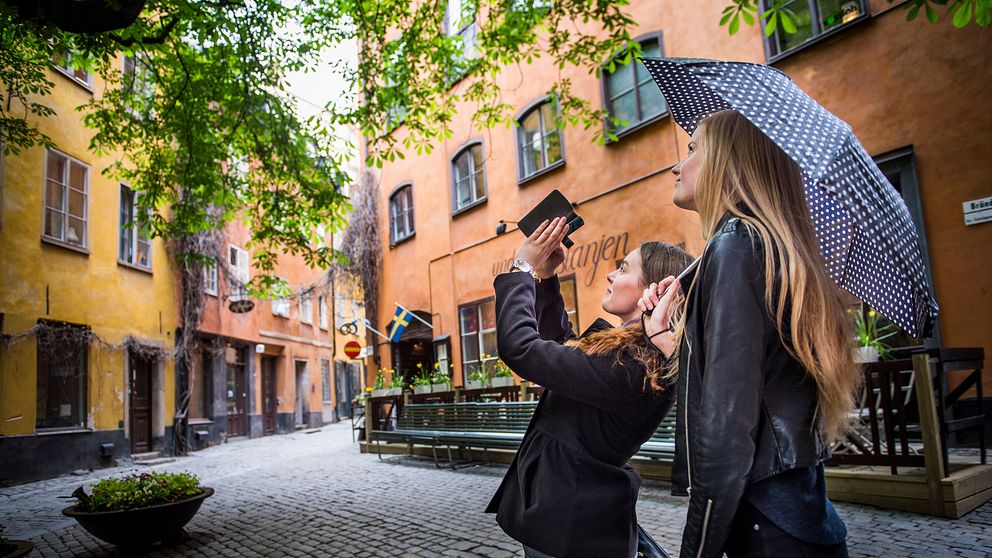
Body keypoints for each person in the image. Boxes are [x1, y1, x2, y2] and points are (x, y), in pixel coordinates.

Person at [639, 109, 860, 557]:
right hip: (796, 517)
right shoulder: (767, 245)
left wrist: (696, 550)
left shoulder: (735, 243)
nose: (677, 165)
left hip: (766, 528)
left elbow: (728, 429)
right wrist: (674, 343)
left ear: (729, 160)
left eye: (693, 148)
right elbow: (758, 389)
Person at [485, 217, 693, 558]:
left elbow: (522, 348)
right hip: (565, 514)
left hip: (570, 524)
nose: (611, 275)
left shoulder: (635, 366)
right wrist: (547, 277)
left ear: (653, 289)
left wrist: (522, 268)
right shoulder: (632, 353)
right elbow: (563, 345)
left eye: (624, 268)